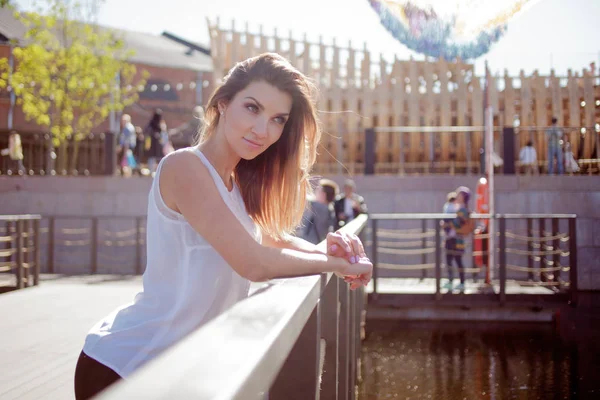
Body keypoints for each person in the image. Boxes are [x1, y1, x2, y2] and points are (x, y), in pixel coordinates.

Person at [73, 53, 372, 400]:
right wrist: (335, 263)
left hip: (183, 371)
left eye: (277, 119)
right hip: (126, 367)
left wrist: (330, 249)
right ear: (223, 103)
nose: (263, 130)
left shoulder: (237, 182)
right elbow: (254, 262)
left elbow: (272, 238)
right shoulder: (184, 167)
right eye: (252, 108)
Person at [442, 186, 472, 292]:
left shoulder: (463, 209)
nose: (457, 196)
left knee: (458, 260)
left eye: (459, 194)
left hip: (458, 238)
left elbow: (457, 223)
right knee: (449, 259)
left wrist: (447, 224)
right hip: (451, 237)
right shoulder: (455, 207)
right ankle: (450, 281)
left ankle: (462, 282)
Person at [299, 178, 338, 244]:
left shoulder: (321, 207)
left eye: (318, 189)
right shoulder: (329, 207)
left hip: (312, 244)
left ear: (323, 194)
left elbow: (304, 198)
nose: (315, 191)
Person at [144, 109, 167, 175]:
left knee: (152, 157)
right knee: (158, 157)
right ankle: (159, 171)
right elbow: (163, 134)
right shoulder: (160, 124)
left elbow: (146, 131)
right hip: (157, 143)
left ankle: (151, 170)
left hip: (151, 143)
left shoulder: (151, 124)